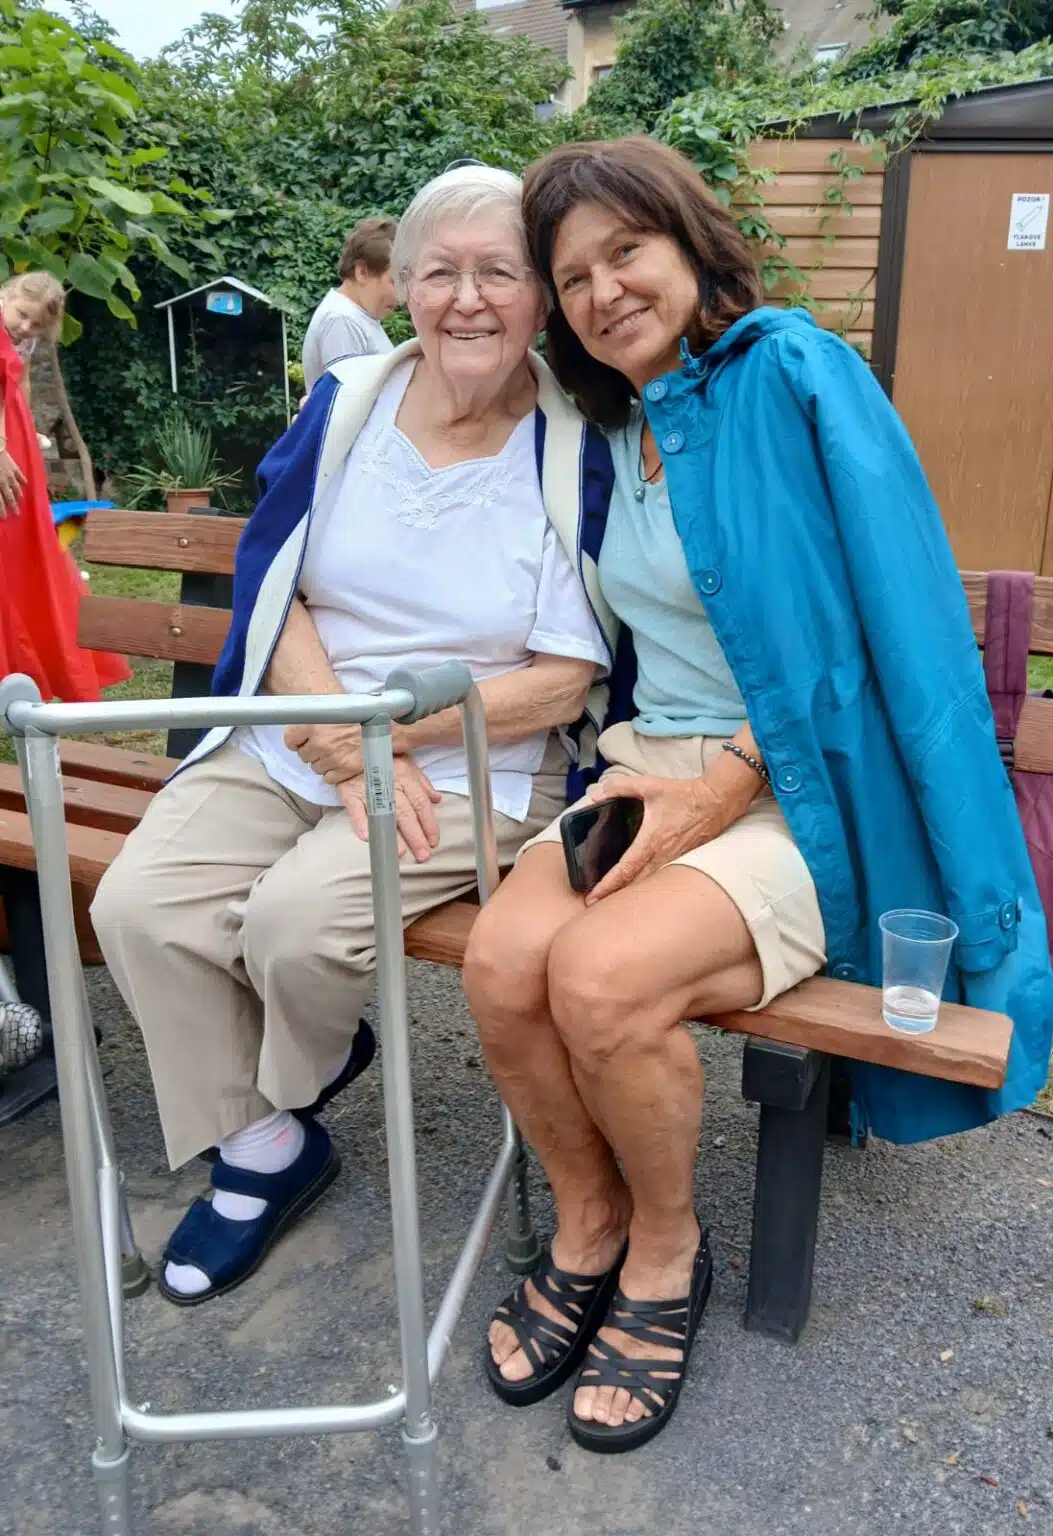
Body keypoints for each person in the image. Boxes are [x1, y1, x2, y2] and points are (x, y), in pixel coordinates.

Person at [462, 137, 1053, 1453]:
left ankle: (666, 1254)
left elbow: (874, 617)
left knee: (601, 984)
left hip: (801, 790)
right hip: (653, 770)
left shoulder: (789, 368)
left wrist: (722, 788)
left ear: (690, 242)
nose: (604, 290)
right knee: (504, 968)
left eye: (627, 250)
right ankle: (589, 1222)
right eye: (574, 276)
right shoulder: (619, 433)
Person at [90, 165, 615, 1307]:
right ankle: (268, 1143)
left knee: (296, 930)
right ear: (402, 285)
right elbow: (276, 585)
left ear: (541, 296)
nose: (467, 300)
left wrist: (391, 742)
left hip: (473, 759)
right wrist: (337, 740)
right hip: (302, 725)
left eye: (499, 273)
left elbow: (565, 681)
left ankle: (302, 1067)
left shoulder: (578, 443)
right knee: (138, 907)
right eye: (440, 273)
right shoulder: (347, 403)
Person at [0, 272, 130, 701]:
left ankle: (30, 661)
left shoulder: (22, 339)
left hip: (13, 440)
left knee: (27, 545)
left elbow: (19, 381)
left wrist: (25, 433)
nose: (25, 327)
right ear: (7, 295)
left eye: (36, 325)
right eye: (22, 315)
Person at [301, 215, 397, 393]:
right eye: (394, 281)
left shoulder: (357, 317)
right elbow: (346, 400)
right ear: (362, 272)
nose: (400, 295)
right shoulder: (342, 321)